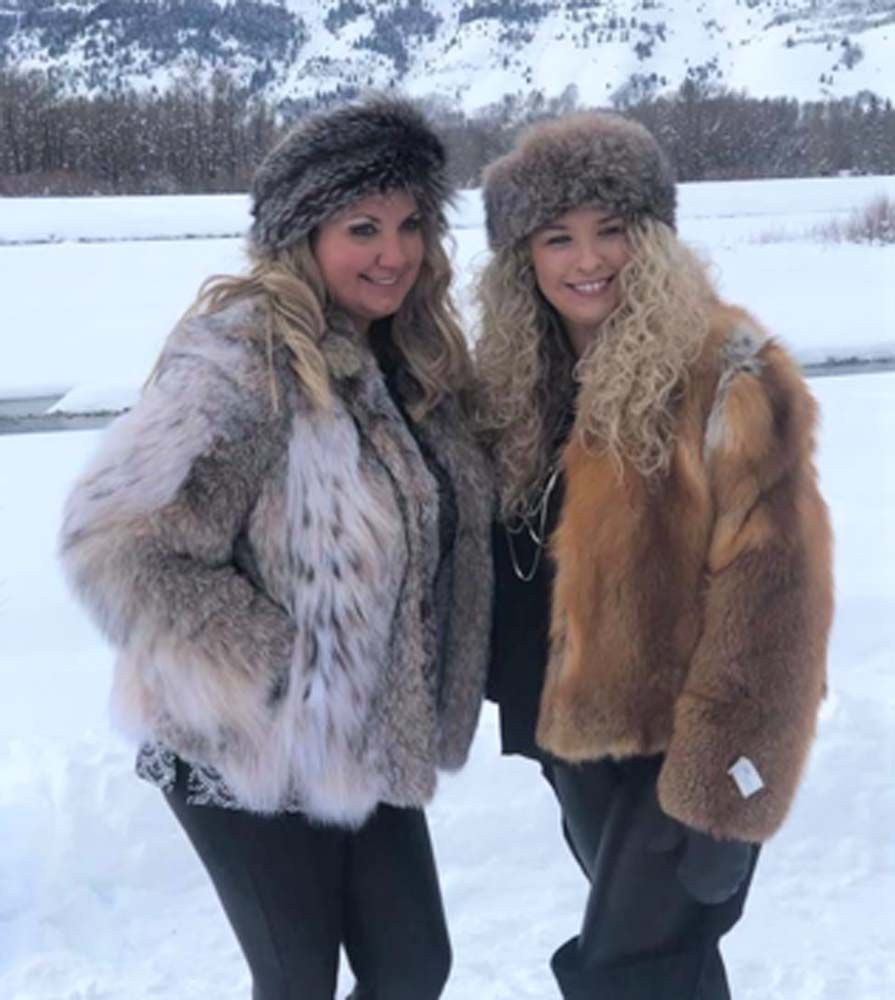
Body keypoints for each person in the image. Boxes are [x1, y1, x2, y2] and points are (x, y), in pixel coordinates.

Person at [59, 96, 493, 1000]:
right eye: (361, 227)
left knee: (414, 967)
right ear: (301, 235)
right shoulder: (240, 359)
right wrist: (281, 665)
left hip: (359, 736)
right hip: (238, 741)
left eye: (412, 223)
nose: (394, 253)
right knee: (296, 977)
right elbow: (114, 544)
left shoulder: (407, 360)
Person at [474, 110, 834, 998]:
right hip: (575, 743)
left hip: (684, 749)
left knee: (623, 974)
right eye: (557, 237)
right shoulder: (522, 382)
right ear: (523, 255)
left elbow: (776, 594)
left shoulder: (726, 372)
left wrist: (727, 794)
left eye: (612, 231)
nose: (586, 259)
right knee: (663, 970)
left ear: (656, 238)